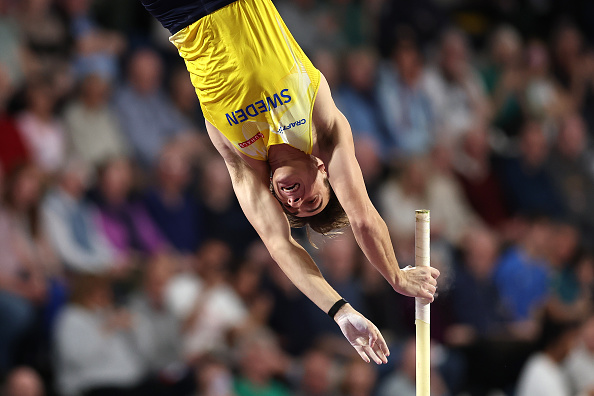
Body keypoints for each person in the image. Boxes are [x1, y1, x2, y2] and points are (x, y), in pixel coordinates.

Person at [139, 0, 439, 365]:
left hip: (178, 14)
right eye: (311, 202)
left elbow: (280, 245)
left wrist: (341, 312)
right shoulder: (323, 128)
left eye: (290, 208)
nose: (294, 203)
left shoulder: (243, 163)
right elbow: (362, 217)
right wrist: (396, 278)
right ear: (323, 170)